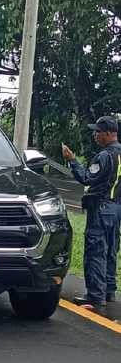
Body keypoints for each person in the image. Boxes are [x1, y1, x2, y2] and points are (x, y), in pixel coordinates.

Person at [62, 116, 121, 311]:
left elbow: (87, 178)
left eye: (98, 131)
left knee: (96, 251)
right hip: (115, 209)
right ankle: (109, 291)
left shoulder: (104, 156)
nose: (95, 135)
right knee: (111, 250)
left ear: (109, 133)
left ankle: (95, 296)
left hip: (100, 208)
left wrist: (72, 160)